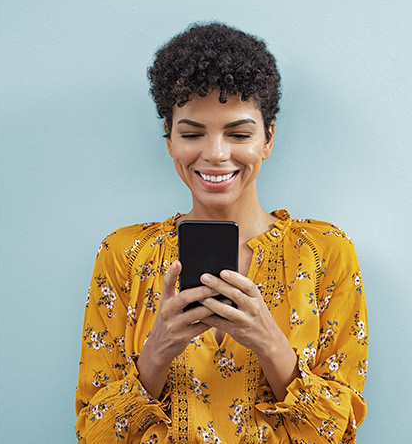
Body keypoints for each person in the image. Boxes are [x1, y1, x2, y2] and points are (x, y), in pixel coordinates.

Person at [75, 22, 368, 444]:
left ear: (268, 138)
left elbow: (338, 433)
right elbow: (92, 434)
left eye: (239, 133)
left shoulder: (325, 254)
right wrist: (155, 354)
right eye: (192, 133)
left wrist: (271, 345)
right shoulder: (124, 255)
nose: (215, 154)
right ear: (169, 140)